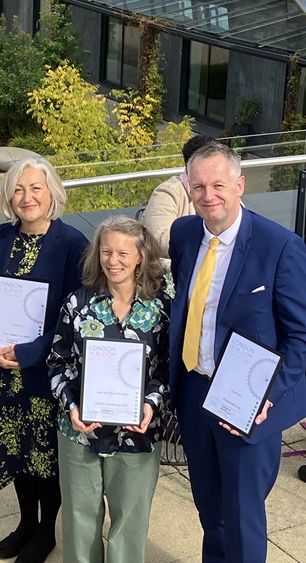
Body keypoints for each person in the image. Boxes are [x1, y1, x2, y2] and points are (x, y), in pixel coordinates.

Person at [168, 141, 306, 563]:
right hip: (194, 393)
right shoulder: (183, 234)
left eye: (219, 185)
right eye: (199, 186)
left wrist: (269, 394)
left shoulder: (280, 246)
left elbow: (301, 337)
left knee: (244, 517)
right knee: (210, 509)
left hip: (249, 402)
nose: (209, 196)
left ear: (240, 185)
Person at [0, 158, 88, 562]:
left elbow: (73, 316)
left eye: (36, 188)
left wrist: (29, 353)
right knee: (15, 449)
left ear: (51, 192)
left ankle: (45, 532)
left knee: (45, 453)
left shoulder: (74, 246)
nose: (27, 197)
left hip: (43, 370)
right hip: (1, 369)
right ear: (9, 197)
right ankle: (25, 523)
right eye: (19, 190)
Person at [49, 215, 171, 563]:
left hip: (138, 432)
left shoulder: (161, 308)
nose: (113, 261)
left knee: (130, 525)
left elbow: (166, 368)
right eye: (106, 252)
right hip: (79, 431)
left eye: (122, 253)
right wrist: (71, 406)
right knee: (79, 521)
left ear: (140, 257)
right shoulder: (78, 303)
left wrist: (151, 403)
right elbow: (57, 363)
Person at [142, 134, 214, 257]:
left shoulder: (225, 190)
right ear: (189, 167)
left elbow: (241, 227)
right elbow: (159, 243)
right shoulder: (167, 193)